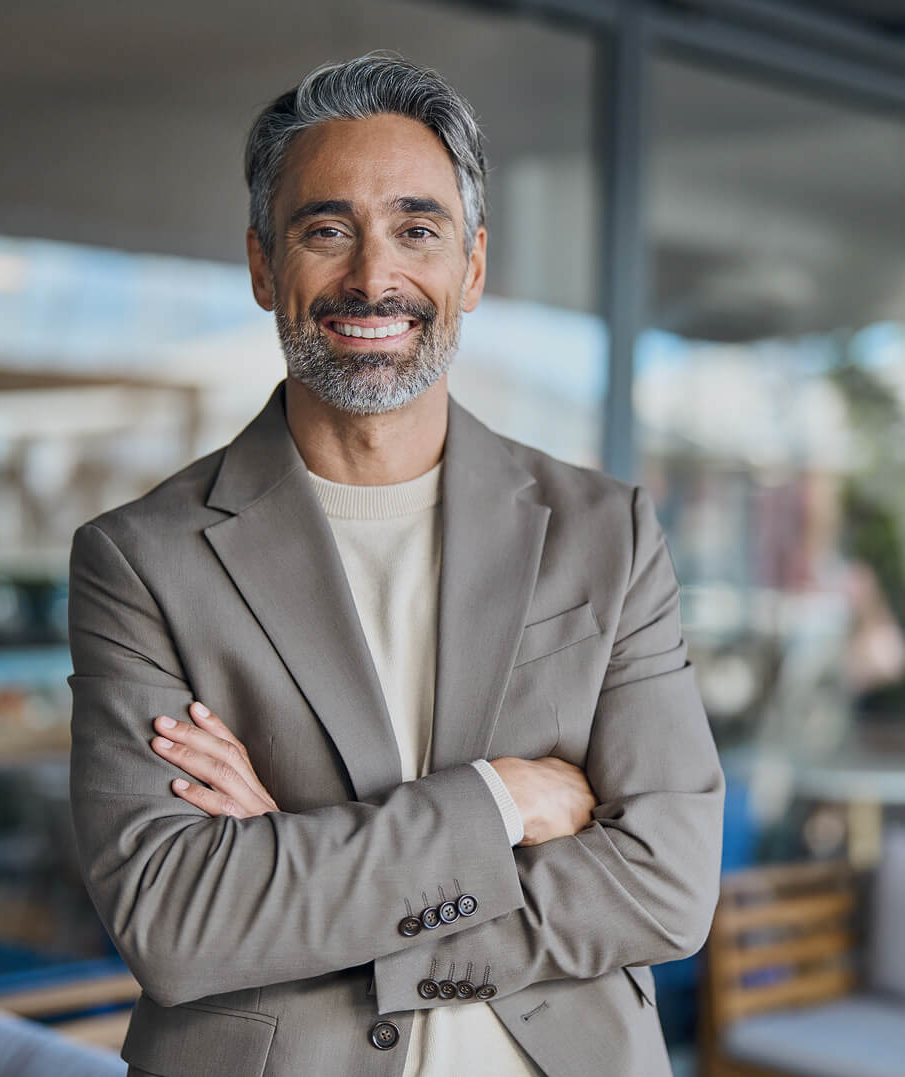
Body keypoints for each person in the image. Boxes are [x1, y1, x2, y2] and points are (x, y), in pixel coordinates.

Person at [68, 53, 724, 1077]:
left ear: (472, 266)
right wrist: (501, 802)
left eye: (417, 230)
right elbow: (177, 920)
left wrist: (299, 875)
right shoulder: (140, 558)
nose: (374, 278)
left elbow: (666, 885)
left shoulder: (609, 531)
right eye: (326, 230)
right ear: (262, 266)